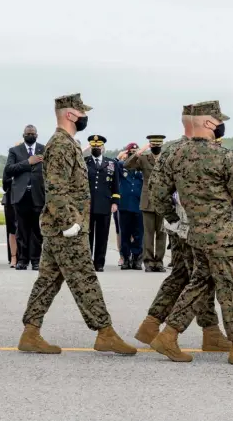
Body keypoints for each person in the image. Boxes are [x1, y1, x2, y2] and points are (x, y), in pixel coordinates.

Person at [148, 100, 233, 366]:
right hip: (223, 234)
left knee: (201, 282)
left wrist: (175, 219)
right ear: (208, 123)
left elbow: (158, 195)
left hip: (195, 233)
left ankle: (168, 335)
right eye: (218, 122)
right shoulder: (223, 156)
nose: (221, 126)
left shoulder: (175, 155)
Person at [18, 93, 136, 356]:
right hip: (66, 228)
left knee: (48, 280)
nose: (85, 117)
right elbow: (56, 188)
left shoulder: (68, 143)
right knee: (85, 278)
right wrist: (69, 222)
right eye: (82, 113)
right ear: (71, 114)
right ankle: (105, 332)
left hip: (62, 226)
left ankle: (30, 332)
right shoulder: (60, 144)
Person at [136, 104, 231, 353]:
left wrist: (172, 219)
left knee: (183, 274)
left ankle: (152, 324)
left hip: (179, 226)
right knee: (201, 276)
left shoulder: (171, 150)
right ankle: (207, 331)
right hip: (195, 226)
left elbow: (157, 190)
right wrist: (176, 219)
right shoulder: (199, 151)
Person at [4, 126, 45, 271]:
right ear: (23, 135)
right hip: (20, 195)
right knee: (21, 229)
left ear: (37, 135)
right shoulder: (15, 151)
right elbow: (9, 169)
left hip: (38, 195)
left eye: (32, 134)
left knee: (36, 230)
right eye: (28, 134)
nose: (30, 136)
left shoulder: (44, 149)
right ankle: (22, 259)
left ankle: (35, 260)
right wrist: (28, 162)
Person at [125, 134, 167, 272]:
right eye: (153, 145)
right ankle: (148, 261)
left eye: (158, 145)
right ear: (150, 145)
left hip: (163, 201)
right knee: (148, 233)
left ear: (161, 145)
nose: (155, 147)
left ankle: (159, 262)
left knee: (161, 234)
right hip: (147, 200)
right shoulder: (144, 159)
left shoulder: (166, 159)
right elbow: (127, 165)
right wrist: (139, 152)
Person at [85, 135, 120, 272]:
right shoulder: (84, 161)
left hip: (105, 204)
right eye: (93, 146)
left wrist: (115, 202)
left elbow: (115, 185)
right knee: (88, 236)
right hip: (88, 204)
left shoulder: (111, 163)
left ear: (103, 147)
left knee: (102, 236)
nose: (96, 148)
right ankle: (87, 262)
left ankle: (99, 263)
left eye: (98, 146)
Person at [115, 143, 144, 270]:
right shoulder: (122, 166)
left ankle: (137, 258)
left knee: (138, 234)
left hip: (138, 205)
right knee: (125, 233)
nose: (133, 153)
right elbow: (112, 166)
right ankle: (126, 258)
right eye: (131, 151)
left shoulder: (142, 166)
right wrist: (118, 157)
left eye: (135, 151)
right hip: (125, 205)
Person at [2, 171, 18, 268]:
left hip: (27, 200)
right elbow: (5, 185)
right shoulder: (10, 168)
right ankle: (13, 257)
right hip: (11, 201)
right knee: (12, 230)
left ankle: (28, 257)